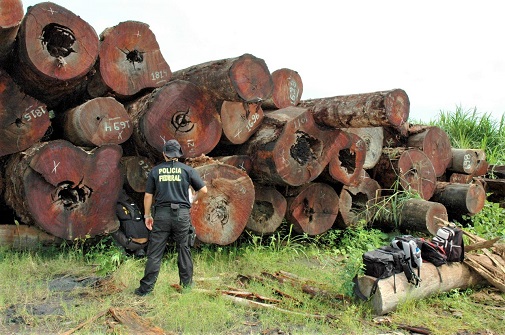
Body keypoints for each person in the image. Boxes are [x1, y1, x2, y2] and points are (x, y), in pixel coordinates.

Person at [135, 139, 207, 296]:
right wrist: (193, 199)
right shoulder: (188, 171)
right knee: (184, 249)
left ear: (164, 154)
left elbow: (148, 196)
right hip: (181, 215)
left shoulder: (155, 171)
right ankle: (187, 287)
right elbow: (204, 190)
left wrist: (148, 215)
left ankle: (145, 289)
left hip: (161, 215)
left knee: (155, 252)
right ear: (179, 154)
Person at [111, 190, 149, 257]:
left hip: (131, 243)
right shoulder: (132, 204)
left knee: (111, 229)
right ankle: (140, 250)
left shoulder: (115, 205)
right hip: (146, 241)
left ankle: (121, 254)